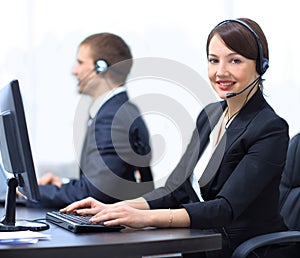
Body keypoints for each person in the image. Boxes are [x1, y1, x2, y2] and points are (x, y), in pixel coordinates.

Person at [60, 19, 294, 257]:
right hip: (201, 245)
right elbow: (175, 189)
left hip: (241, 250)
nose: (220, 72)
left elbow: (225, 208)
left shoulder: (269, 128)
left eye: (235, 60)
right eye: (213, 60)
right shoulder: (211, 115)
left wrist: (145, 217)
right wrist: (117, 208)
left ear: (261, 66)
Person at [29, 33, 154, 208]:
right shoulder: (118, 110)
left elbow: (95, 194)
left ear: (101, 67)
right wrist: (62, 184)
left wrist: (29, 191)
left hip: (114, 233)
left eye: (80, 63)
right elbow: (105, 183)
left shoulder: (113, 118)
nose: (74, 71)